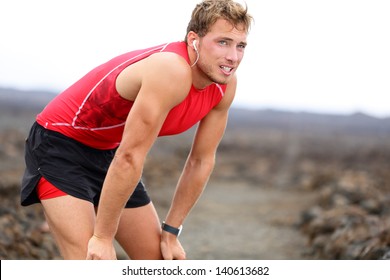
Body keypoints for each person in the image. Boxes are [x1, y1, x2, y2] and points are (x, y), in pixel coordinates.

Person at [21, 0, 253, 260]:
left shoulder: (224, 86)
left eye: (240, 45)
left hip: (109, 152)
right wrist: (102, 237)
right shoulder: (171, 69)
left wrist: (171, 232)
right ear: (194, 39)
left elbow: (200, 161)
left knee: (159, 263)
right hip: (60, 144)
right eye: (223, 42)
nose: (233, 57)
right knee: (92, 263)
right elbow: (130, 156)